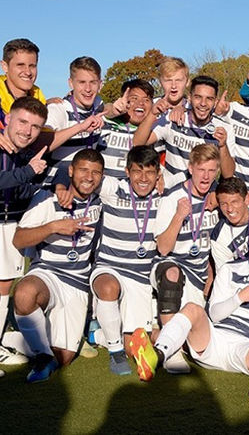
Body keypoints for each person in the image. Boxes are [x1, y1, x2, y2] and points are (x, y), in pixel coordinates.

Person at [130, 218, 249, 403]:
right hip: (213, 343)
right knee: (193, 309)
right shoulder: (230, 269)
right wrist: (240, 297)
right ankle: (156, 356)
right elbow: (214, 314)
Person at [12, 148, 103, 382]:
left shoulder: (102, 200)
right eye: (83, 170)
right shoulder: (46, 198)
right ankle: (40, 353)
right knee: (24, 293)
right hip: (48, 273)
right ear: (71, 170)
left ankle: (14, 337)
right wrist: (53, 227)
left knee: (62, 358)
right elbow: (19, 239)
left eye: (96, 172)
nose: (89, 177)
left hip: (78, 282)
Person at [80, 146, 163, 375]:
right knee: (108, 286)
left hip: (140, 277)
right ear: (127, 171)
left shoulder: (166, 193)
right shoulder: (113, 188)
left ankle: (98, 334)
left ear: (158, 173)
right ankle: (115, 353)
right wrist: (60, 186)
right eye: (137, 171)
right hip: (110, 266)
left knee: (135, 346)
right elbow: (82, 176)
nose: (143, 179)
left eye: (149, 172)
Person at [150, 143, 221, 373]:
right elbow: (162, 247)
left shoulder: (217, 195)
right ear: (190, 168)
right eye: (201, 170)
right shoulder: (174, 197)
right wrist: (179, 216)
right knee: (172, 272)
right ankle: (170, 352)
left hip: (198, 275)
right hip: (170, 265)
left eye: (212, 170)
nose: (206, 176)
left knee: (200, 346)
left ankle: (154, 330)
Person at [0, 97, 49, 369]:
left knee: (4, 285)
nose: (27, 131)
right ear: (7, 119)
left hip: (8, 224)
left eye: (35, 126)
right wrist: (29, 172)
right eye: (22, 122)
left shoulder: (25, 153)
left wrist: (47, 185)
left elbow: (21, 190)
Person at [132, 75, 235, 184]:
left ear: (215, 102)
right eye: (198, 97)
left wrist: (223, 146)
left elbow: (228, 174)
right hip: (170, 192)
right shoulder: (172, 119)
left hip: (203, 195)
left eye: (209, 99)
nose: (203, 103)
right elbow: (138, 143)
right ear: (190, 98)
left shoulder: (224, 128)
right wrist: (152, 114)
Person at [43, 57, 105, 185]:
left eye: (92, 82)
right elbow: (42, 145)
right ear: (71, 83)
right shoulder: (58, 109)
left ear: (100, 84)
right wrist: (80, 127)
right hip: (53, 190)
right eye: (81, 82)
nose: (88, 89)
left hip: (84, 188)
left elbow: (110, 108)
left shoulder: (99, 105)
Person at [95, 79, 155, 179]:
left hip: (132, 191)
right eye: (134, 98)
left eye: (146, 100)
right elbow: (106, 109)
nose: (140, 103)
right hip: (102, 189)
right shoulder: (106, 122)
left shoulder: (154, 131)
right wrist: (112, 110)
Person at [0, 39, 46, 127]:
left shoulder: (39, 99)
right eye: (20, 65)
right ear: (4, 66)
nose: (28, 72)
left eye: (32, 66)